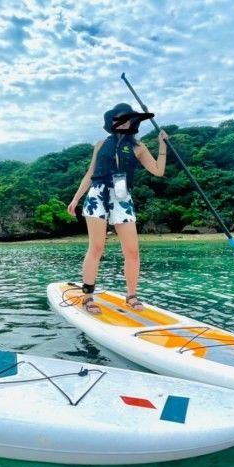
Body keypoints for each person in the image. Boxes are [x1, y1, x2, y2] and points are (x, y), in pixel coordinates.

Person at [66, 103, 169, 314]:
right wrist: (76, 198)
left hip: (122, 197)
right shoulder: (101, 144)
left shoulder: (139, 147)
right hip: (97, 193)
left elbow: (158, 171)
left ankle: (131, 296)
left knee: (132, 251)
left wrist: (163, 145)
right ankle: (88, 296)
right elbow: (90, 173)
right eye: (117, 119)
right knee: (96, 248)